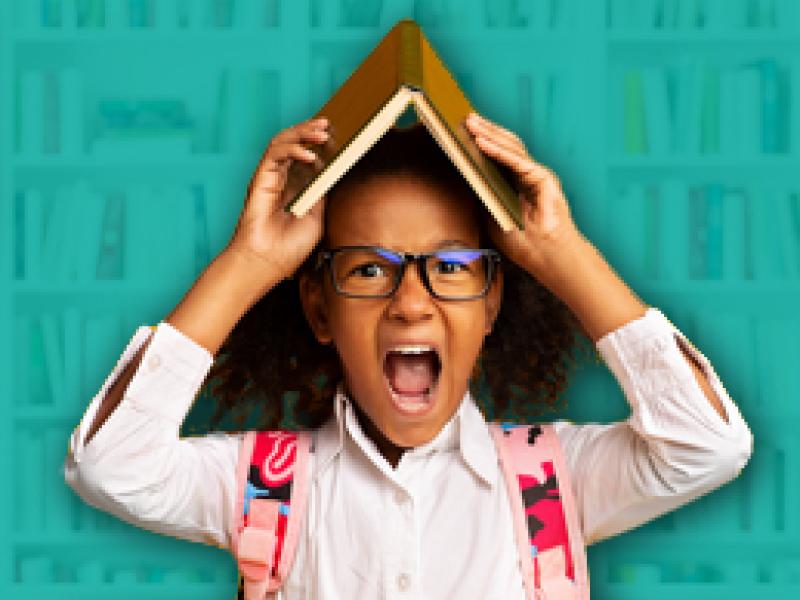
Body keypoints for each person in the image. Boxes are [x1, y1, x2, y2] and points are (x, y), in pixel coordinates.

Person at [64, 112, 753, 599]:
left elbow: (706, 445)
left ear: (491, 305)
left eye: (451, 266)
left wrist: (559, 253)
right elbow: (109, 465)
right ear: (318, 309)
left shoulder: (553, 482)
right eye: (368, 270)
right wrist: (250, 261)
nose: (412, 303)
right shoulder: (264, 489)